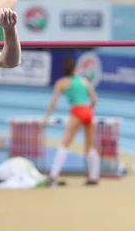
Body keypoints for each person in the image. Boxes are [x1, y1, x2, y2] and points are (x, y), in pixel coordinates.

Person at [43, 57, 100, 186]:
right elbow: (95, 100)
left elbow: (53, 103)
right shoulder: (84, 81)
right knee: (90, 146)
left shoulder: (62, 83)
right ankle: (94, 177)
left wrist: (46, 118)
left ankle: (53, 176)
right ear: (75, 69)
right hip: (88, 111)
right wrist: (88, 110)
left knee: (65, 144)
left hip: (77, 111)